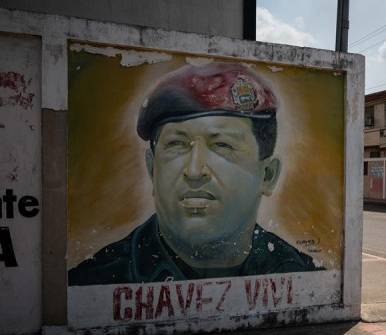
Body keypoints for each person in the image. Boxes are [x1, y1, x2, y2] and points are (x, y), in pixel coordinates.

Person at [69, 63, 319, 286]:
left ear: (268, 175)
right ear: (152, 168)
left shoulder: (303, 275)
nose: (194, 171)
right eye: (176, 144)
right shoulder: (95, 280)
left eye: (222, 146)